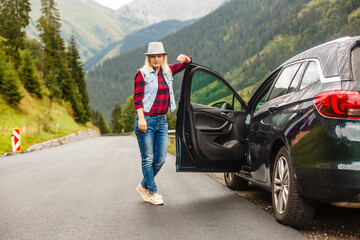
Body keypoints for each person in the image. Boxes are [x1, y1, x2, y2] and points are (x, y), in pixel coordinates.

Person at [134, 42, 191, 205]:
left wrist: (185, 58)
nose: (156, 59)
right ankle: (152, 192)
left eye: (159, 56)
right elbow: (137, 99)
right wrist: (142, 118)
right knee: (148, 158)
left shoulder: (168, 71)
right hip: (146, 120)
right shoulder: (142, 74)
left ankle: (143, 186)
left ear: (163, 57)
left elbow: (188, 64)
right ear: (149, 58)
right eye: (153, 56)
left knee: (160, 159)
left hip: (162, 120)